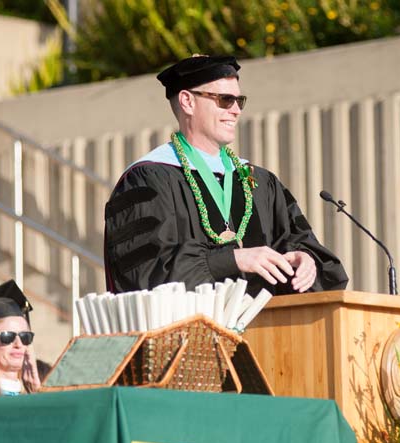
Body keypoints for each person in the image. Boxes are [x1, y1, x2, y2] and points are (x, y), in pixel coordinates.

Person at [104, 55, 348, 296]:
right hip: (188, 333)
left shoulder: (259, 183)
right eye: (224, 99)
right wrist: (231, 260)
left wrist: (306, 261)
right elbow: (146, 274)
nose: (235, 110)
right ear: (187, 101)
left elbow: (311, 254)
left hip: (268, 331)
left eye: (239, 100)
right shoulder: (148, 179)